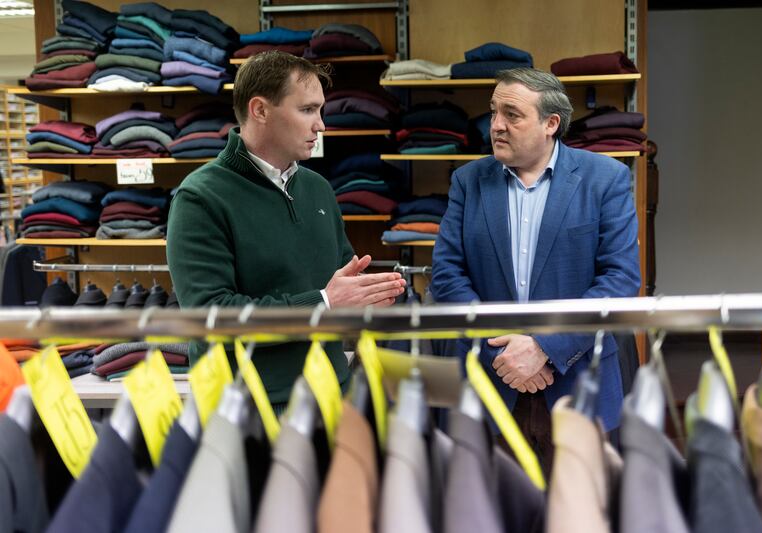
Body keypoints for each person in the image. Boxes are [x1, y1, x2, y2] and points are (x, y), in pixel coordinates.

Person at [167, 51, 406, 408]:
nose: (321, 125)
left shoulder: (317, 188)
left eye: (320, 111)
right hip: (248, 412)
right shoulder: (200, 198)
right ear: (260, 110)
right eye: (307, 110)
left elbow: (338, 284)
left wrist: (364, 300)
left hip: (330, 398)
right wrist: (324, 303)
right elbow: (211, 315)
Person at [430, 68, 640, 473]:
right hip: (490, 382)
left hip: (576, 381)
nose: (496, 125)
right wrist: (506, 350)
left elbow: (619, 280)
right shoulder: (468, 181)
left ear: (551, 123)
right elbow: (446, 274)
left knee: (578, 513)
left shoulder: (605, 179)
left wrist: (544, 347)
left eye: (512, 114)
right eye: (493, 112)